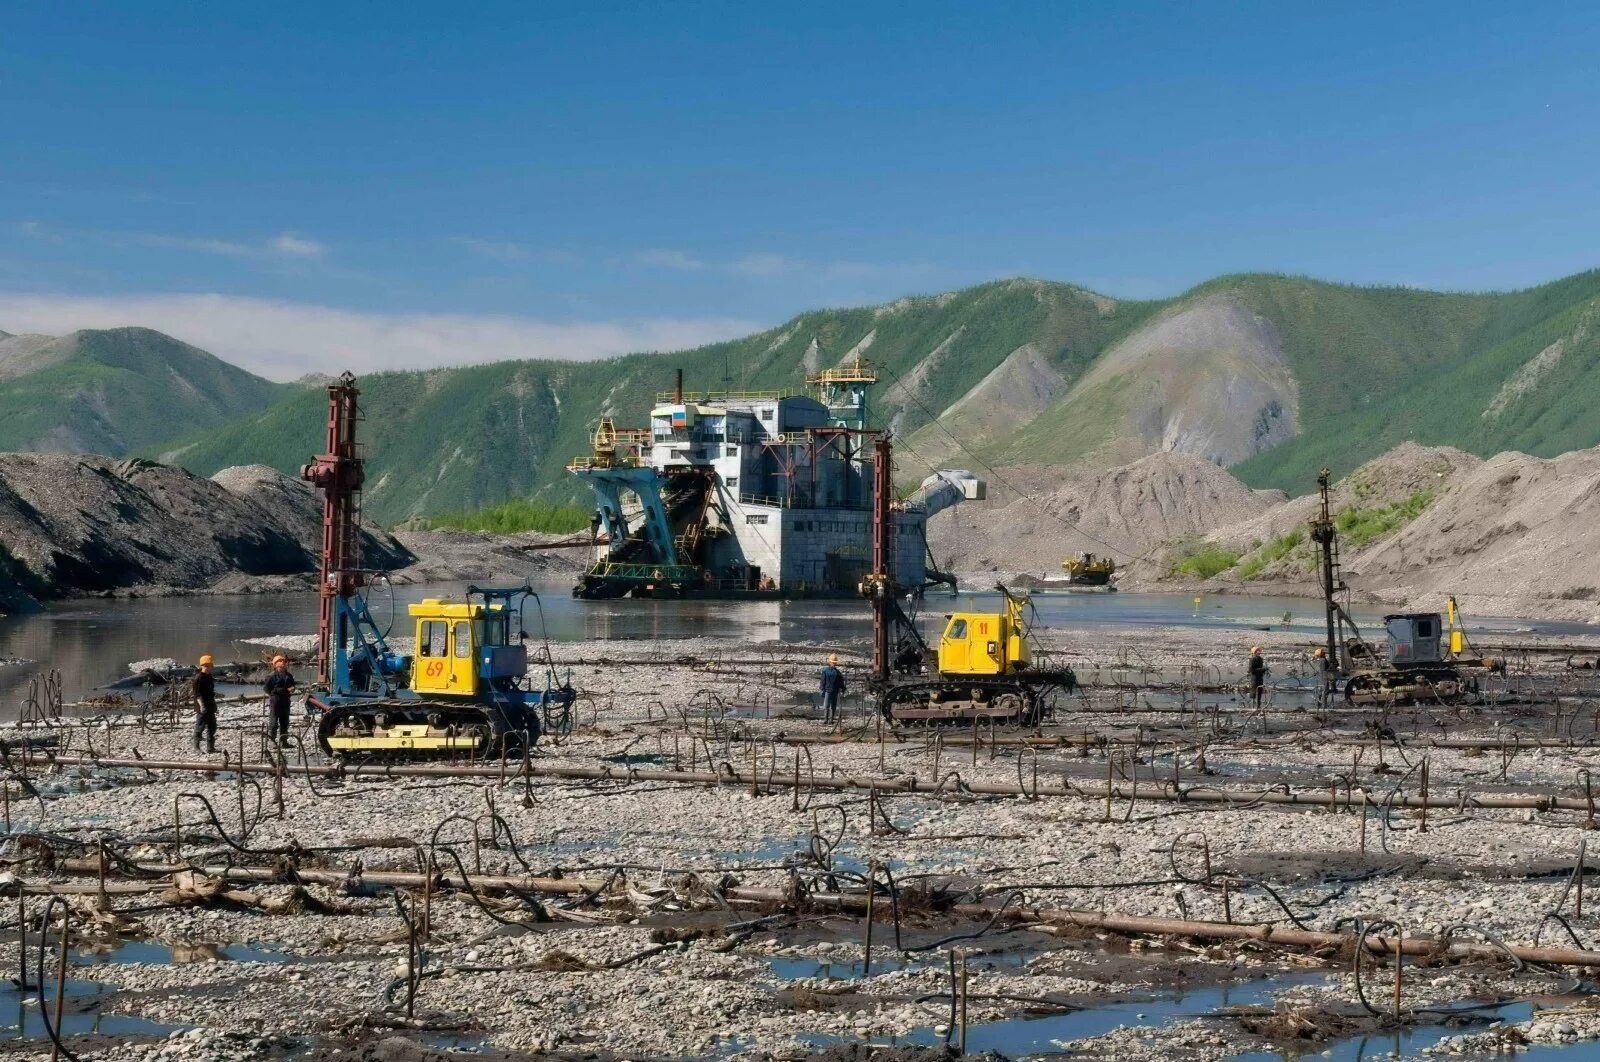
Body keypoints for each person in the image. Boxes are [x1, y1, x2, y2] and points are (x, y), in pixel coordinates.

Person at [263, 655, 297, 745]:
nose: (282, 665)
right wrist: (273, 694)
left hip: (285, 700)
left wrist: (292, 688)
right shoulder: (271, 676)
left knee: (285, 721)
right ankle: (272, 741)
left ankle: (284, 742)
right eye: (280, 664)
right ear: (275, 665)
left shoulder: (289, 675)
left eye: (283, 663)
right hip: (275, 701)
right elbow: (266, 688)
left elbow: (292, 685)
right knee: (273, 722)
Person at [192, 654, 218, 753]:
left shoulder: (209, 677)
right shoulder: (198, 678)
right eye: (206, 665)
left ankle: (210, 747)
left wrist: (215, 700)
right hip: (201, 706)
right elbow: (197, 694)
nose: (208, 667)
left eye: (209, 665)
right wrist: (202, 706)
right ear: (202, 666)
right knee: (200, 726)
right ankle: (196, 747)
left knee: (212, 727)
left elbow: (210, 692)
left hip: (210, 705)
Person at [819, 653, 846, 725]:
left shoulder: (825, 671)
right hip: (833, 691)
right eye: (834, 663)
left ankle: (827, 720)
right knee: (831, 706)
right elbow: (841, 683)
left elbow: (822, 681)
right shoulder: (837, 672)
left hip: (829, 691)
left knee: (828, 706)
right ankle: (829, 720)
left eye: (834, 663)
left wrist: (822, 689)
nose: (834, 664)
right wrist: (843, 689)